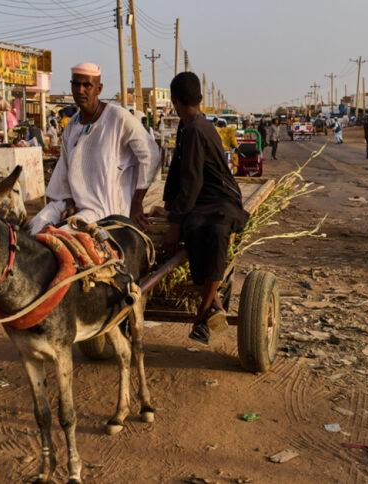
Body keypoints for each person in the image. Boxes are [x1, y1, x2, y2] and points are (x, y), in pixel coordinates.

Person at [161, 72, 248, 345]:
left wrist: (174, 224)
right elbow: (177, 170)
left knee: (215, 231)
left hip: (222, 199)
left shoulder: (198, 129)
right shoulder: (188, 126)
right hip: (201, 200)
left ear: (174, 101)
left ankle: (201, 314)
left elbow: (192, 181)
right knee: (195, 227)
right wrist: (170, 207)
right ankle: (215, 306)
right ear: (199, 98)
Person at [29, 62, 159, 235]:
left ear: (99, 89)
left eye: (87, 85)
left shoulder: (118, 118)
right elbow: (65, 170)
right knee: (34, 227)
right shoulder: (71, 126)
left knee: (60, 236)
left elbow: (151, 155)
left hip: (104, 209)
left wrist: (137, 202)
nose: (80, 90)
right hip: (74, 204)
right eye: (76, 84)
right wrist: (69, 202)